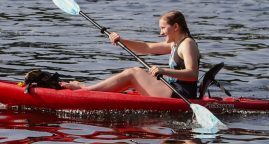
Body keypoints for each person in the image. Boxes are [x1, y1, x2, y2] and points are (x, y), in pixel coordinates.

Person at [61, 11, 200, 99]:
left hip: (181, 96)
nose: (161, 33)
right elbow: (146, 47)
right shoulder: (176, 44)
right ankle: (90, 89)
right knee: (135, 71)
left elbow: (192, 74)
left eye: (163, 28)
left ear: (176, 27)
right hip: (174, 91)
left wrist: (163, 71)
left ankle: (87, 91)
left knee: (133, 73)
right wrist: (122, 41)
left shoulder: (187, 44)